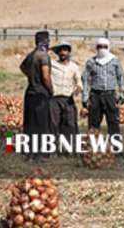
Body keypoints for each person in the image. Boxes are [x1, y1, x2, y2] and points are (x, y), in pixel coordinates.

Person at [82, 38, 124, 138]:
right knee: (94, 124)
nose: (102, 49)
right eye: (100, 47)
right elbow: (86, 80)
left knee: (113, 123)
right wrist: (84, 96)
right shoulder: (91, 62)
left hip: (110, 95)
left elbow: (120, 76)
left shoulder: (115, 60)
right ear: (96, 48)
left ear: (108, 47)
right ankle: (93, 149)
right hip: (95, 95)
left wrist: (122, 92)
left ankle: (115, 149)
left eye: (105, 47)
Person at [19, 30, 54, 160]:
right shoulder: (43, 56)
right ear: (46, 41)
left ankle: (28, 151)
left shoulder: (31, 55)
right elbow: (46, 76)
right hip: (41, 94)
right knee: (41, 123)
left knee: (30, 122)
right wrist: (50, 90)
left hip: (30, 93)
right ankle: (40, 153)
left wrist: (32, 76)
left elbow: (22, 67)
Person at [49, 42, 82, 152]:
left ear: (69, 52)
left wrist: (78, 89)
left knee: (70, 124)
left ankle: (71, 149)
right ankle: (52, 149)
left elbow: (79, 82)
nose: (63, 53)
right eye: (61, 50)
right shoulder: (52, 65)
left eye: (65, 50)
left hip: (68, 99)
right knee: (53, 124)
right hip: (54, 98)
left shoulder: (74, 67)